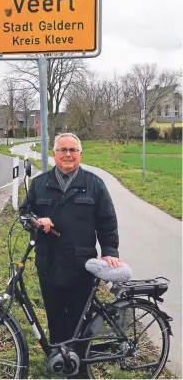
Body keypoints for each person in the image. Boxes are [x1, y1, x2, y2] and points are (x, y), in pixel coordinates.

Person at [19, 132, 120, 349]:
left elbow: (107, 222)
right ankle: (60, 357)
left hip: (81, 265)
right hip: (49, 263)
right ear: (54, 154)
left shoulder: (95, 185)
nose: (68, 154)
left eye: (72, 150)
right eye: (62, 150)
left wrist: (110, 251)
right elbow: (24, 215)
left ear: (80, 154)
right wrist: (35, 220)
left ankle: (79, 365)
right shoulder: (39, 185)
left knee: (80, 319)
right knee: (54, 314)